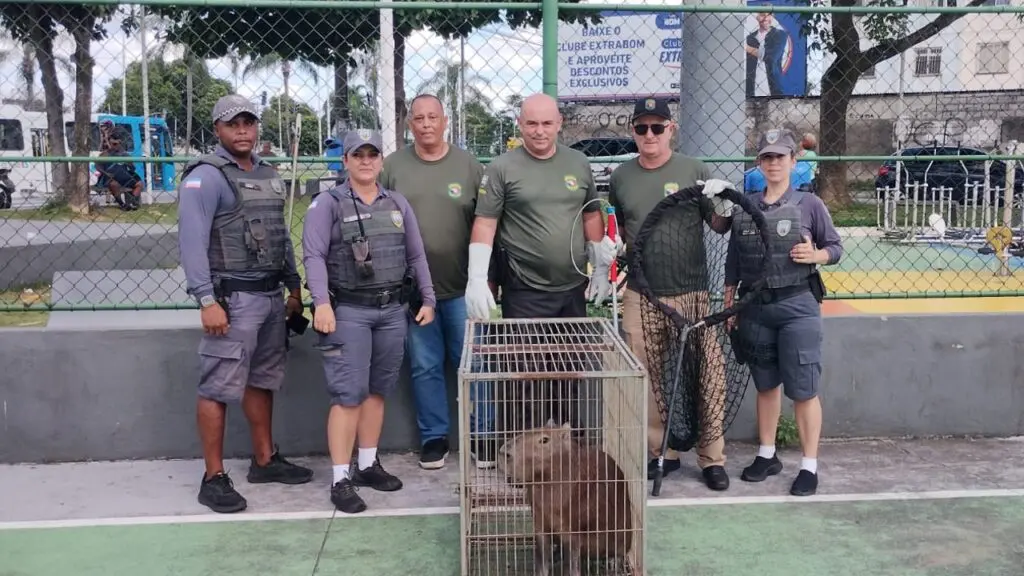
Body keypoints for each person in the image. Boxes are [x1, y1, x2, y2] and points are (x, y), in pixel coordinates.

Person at [178, 93, 313, 514]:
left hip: (271, 297)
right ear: (217, 129)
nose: (242, 131)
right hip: (232, 300)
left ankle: (264, 460)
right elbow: (191, 244)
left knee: (262, 380)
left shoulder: (269, 174)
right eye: (233, 123)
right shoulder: (206, 177)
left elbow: (278, 235)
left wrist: (294, 289)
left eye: (248, 123)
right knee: (217, 386)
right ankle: (213, 477)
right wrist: (205, 300)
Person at [465, 92, 617, 434]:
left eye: (547, 123)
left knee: (568, 371)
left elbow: (591, 212)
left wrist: (600, 260)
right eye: (531, 123)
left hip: (571, 288)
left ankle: (566, 451)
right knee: (526, 376)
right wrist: (476, 276)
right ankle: (523, 453)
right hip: (524, 288)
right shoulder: (503, 167)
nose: (539, 131)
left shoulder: (577, 162)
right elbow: (486, 222)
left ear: (560, 124)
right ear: (520, 124)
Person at [302, 128, 437, 514]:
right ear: (345, 161)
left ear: (381, 160)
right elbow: (313, 256)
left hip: (392, 310)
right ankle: (340, 478)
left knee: (377, 390)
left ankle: (367, 464)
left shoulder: (396, 203)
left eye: (372, 154)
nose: (365, 161)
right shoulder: (327, 204)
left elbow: (416, 255)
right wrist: (322, 303)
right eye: (357, 154)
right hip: (349, 311)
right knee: (348, 395)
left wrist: (427, 297)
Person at [605, 97, 736, 491]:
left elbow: (720, 225)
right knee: (644, 374)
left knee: (708, 373)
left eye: (657, 127)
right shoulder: (621, 177)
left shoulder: (693, 169)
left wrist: (723, 198)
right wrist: (610, 255)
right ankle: (663, 452)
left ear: (670, 129)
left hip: (692, 292)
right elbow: (623, 231)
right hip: (641, 294)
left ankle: (712, 458)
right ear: (633, 131)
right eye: (641, 128)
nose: (649, 135)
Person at [724, 128, 843, 497]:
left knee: (803, 389)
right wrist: (730, 303)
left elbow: (835, 247)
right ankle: (767, 453)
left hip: (797, 305)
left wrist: (817, 255)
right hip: (756, 306)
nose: (774, 163)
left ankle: (809, 465)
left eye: (781, 156)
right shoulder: (747, 204)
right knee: (766, 385)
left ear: (794, 160)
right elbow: (733, 259)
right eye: (767, 157)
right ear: (759, 163)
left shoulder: (809, 205)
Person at [379, 93, 494, 470]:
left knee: (475, 365)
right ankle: (434, 437)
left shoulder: (469, 166)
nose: (426, 124)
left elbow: (488, 223)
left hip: (462, 287)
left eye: (433, 117)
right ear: (409, 124)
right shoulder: (393, 167)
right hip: (415, 294)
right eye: (419, 118)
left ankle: (484, 437)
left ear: (445, 121)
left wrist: (486, 281)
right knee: (425, 366)